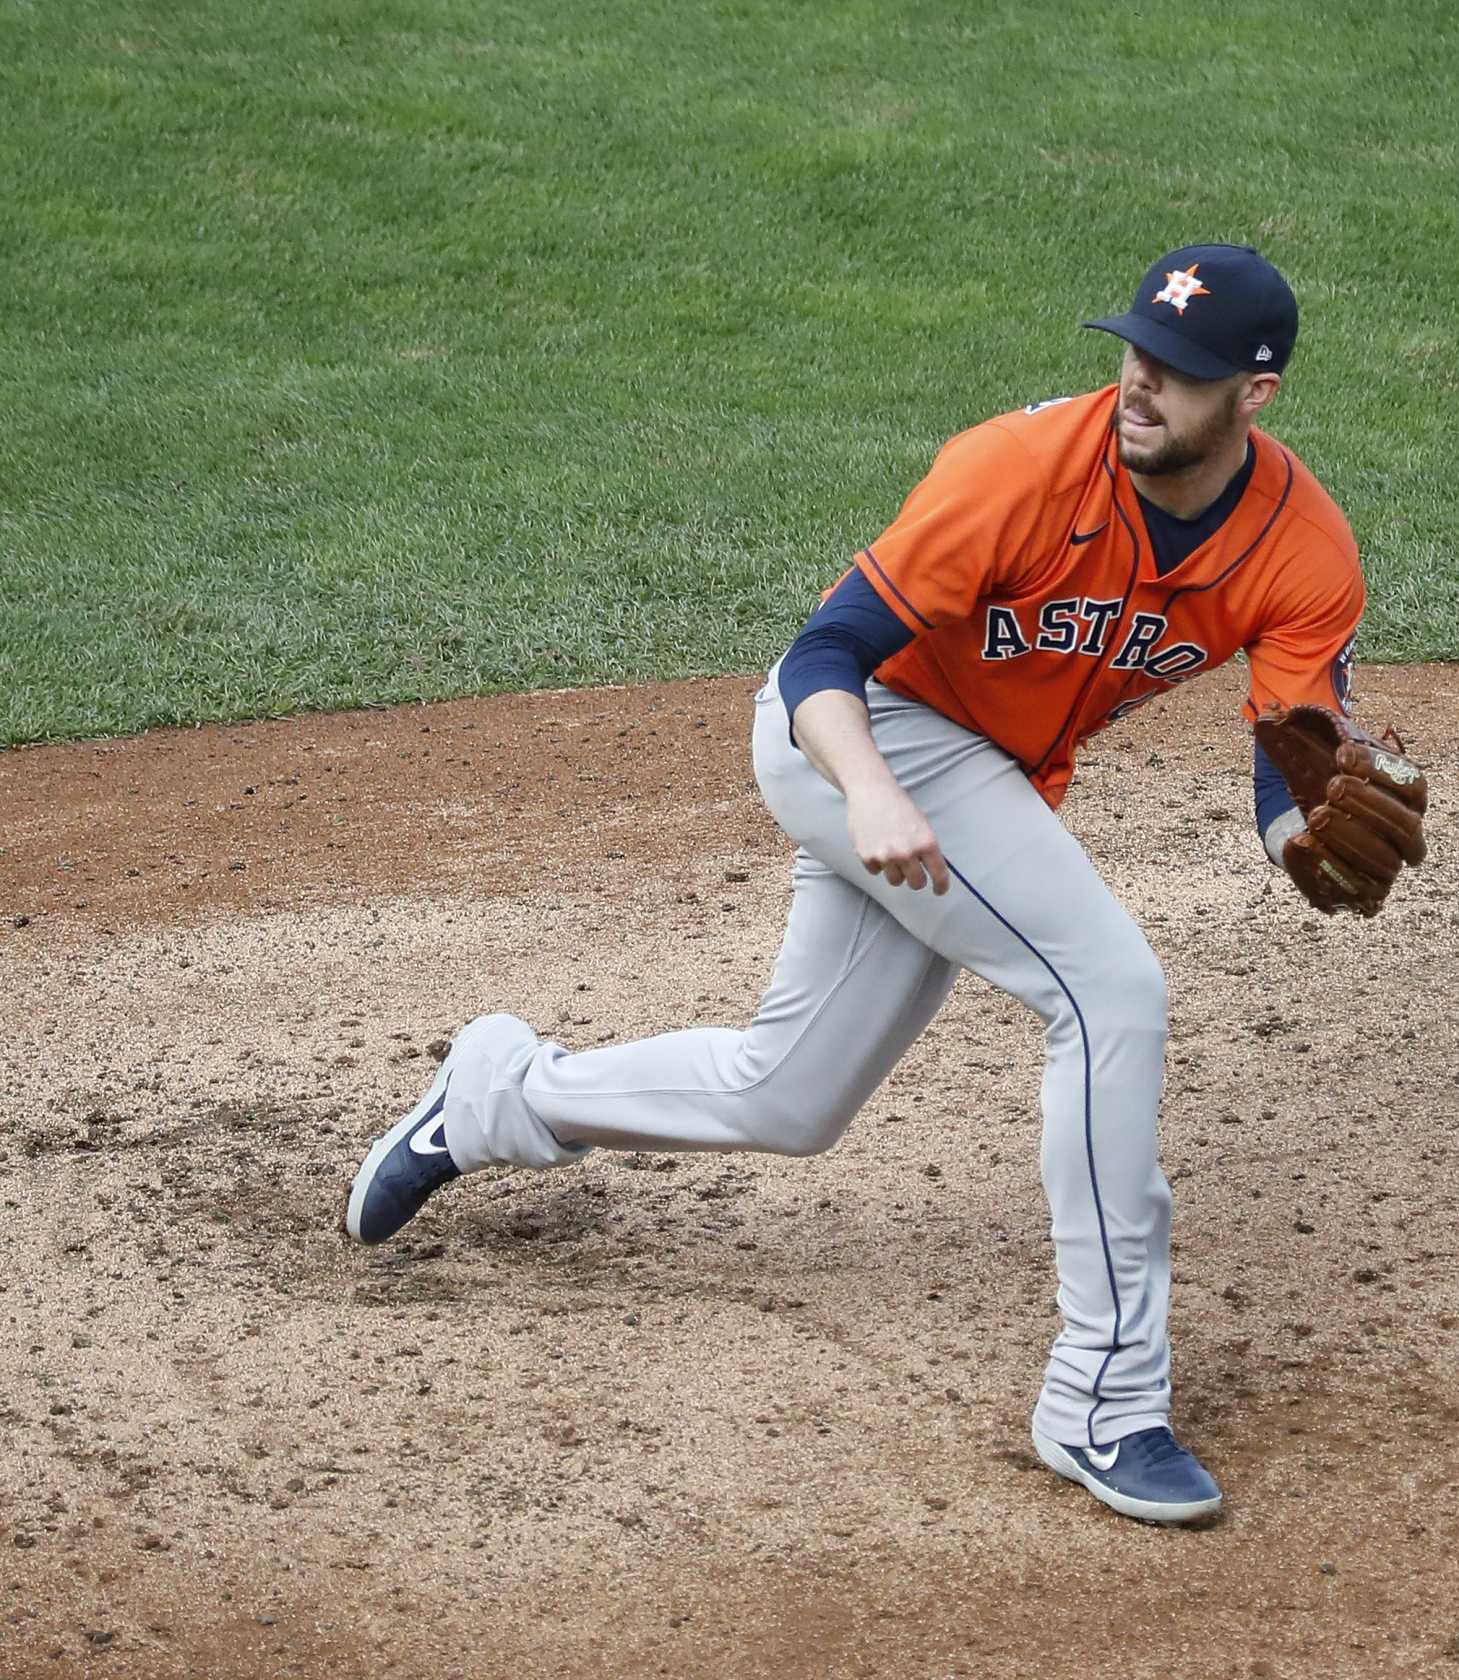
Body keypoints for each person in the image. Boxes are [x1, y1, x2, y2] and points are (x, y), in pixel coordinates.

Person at [345, 244, 1366, 1526]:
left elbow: (1296, 758)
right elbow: (825, 651)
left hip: (975, 777)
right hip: (853, 736)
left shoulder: (1302, 548)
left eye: (1181, 372)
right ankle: (1102, 1401)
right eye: (1135, 351)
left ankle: (497, 1096)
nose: (1141, 384)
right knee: (1108, 998)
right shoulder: (1017, 468)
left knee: (787, 1096)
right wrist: (872, 789)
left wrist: (1302, 848)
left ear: (1254, 397)